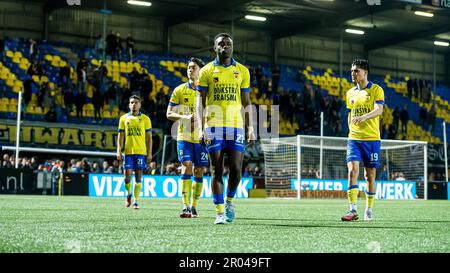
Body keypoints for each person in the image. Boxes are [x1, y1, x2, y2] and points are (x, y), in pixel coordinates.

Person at [196, 33, 256, 224]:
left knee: (237, 169)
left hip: (236, 125)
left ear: (232, 47)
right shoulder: (205, 71)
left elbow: (246, 101)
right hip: (213, 126)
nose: (225, 47)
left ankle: (229, 201)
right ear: (215, 48)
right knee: (216, 169)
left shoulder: (243, 71)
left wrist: (251, 127)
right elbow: (200, 103)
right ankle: (220, 212)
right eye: (221, 44)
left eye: (228, 44)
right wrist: (200, 128)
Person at [342, 59, 384, 222]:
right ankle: (352, 210)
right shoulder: (350, 93)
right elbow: (350, 114)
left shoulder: (376, 90)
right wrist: (350, 129)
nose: (353, 73)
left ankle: (369, 209)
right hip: (354, 139)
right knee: (352, 171)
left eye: (356, 71)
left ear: (365, 72)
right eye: (352, 71)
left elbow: (379, 110)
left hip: (372, 139)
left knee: (370, 176)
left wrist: (364, 117)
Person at [167, 57, 208, 218]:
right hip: (183, 136)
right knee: (186, 166)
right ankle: (185, 206)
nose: (190, 70)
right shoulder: (179, 90)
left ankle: (194, 206)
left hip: (201, 137)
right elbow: (168, 113)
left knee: (199, 170)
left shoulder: (207, 90)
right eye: (188, 67)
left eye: (193, 67)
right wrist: (183, 118)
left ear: (200, 71)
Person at [117, 95, 153, 209]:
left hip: (141, 152)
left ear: (140, 105)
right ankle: (128, 195)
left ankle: (136, 201)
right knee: (126, 176)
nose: (134, 104)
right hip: (128, 152)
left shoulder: (146, 119)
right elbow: (120, 136)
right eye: (132, 102)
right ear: (129, 104)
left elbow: (149, 138)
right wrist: (118, 150)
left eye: (136, 102)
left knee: (138, 177)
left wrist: (149, 153)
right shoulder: (123, 118)